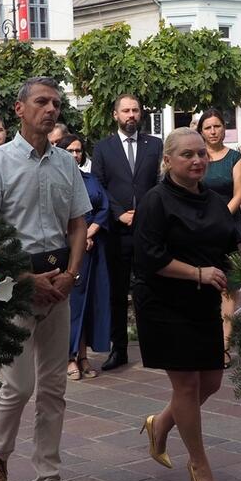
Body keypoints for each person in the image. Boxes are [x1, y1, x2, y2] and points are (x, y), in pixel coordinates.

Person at [0, 76, 93, 481]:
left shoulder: (66, 163)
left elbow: (79, 222)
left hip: (60, 279)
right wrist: (26, 278)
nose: (51, 109)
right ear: (19, 108)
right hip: (14, 283)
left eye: (57, 103)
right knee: (19, 383)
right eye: (42, 102)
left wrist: (70, 274)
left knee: (54, 387)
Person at [133, 128, 241, 481]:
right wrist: (198, 273)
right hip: (164, 302)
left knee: (210, 382)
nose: (197, 161)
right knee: (187, 385)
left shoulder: (213, 200)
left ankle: (161, 423)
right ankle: (199, 463)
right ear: (168, 160)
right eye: (187, 155)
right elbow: (149, 257)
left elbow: (230, 244)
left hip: (202, 303)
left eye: (201, 155)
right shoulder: (155, 201)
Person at [92, 94, 164, 371]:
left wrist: (145, 213)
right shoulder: (103, 148)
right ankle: (118, 349)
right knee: (117, 293)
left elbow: (160, 182)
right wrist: (119, 212)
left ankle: (153, 347)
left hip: (148, 231)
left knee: (151, 289)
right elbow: (99, 187)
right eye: (126, 111)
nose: (131, 115)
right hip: (117, 233)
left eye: (135, 110)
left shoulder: (155, 145)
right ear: (115, 115)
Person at [57, 134, 110, 381]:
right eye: (69, 150)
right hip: (68, 250)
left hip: (93, 248)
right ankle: (69, 356)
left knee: (91, 303)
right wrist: (77, 238)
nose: (75, 155)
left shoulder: (91, 180)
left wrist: (89, 232)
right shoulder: (55, 181)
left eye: (78, 150)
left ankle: (84, 355)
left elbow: (104, 208)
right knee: (73, 304)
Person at [197, 109, 241, 365]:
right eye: (208, 127)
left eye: (217, 126)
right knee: (204, 289)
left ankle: (224, 346)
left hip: (227, 230)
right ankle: (205, 341)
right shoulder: (197, 157)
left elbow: (238, 195)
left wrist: (217, 218)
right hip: (198, 231)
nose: (213, 131)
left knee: (229, 289)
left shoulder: (235, 158)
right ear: (201, 130)